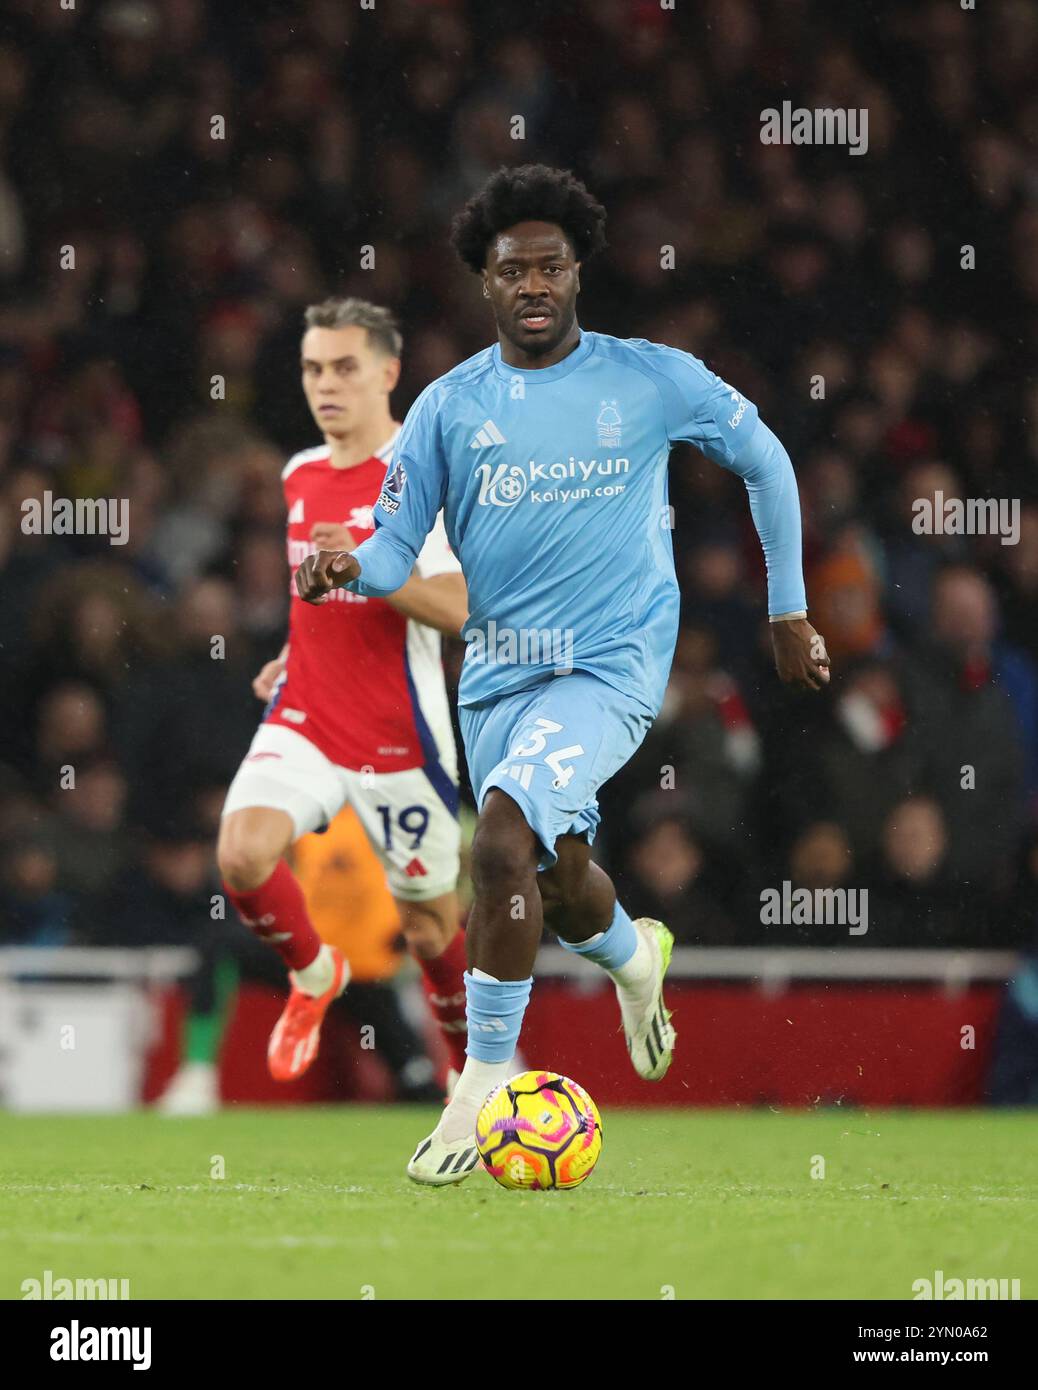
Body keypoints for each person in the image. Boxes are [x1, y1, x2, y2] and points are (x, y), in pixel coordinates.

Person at [294, 166, 828, 1183]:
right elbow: (395, 550)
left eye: (550, 265)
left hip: (611, 664)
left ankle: (480, 1085)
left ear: (579, 272)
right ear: (485, 285)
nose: (532, 282)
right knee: (547, 875)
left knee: (496, 836)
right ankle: (633, 957)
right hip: (496, 679)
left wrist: (788, 606)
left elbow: (765, 458)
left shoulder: (649, 378)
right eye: (511, 269)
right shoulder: (449, 410)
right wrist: (342, 565)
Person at [218, 298, 470, 1087]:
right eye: (312, 368)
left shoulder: (426, 477)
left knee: (430, 931)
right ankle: (312, 972)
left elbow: (458, 607)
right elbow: (318, 588)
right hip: (306, 714)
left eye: (344, 368)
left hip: (400, 734)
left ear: (388, 374)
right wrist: (292, 651)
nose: (325, 385)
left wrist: (367, 562)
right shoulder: (297, 474)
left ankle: (478, 1080)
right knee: (243, 854)